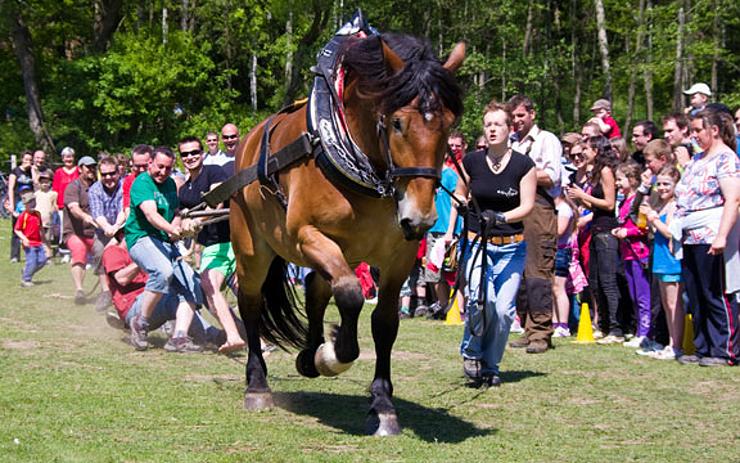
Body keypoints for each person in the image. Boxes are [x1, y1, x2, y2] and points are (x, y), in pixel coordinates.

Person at [449, 100, 536, 386]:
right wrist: (460, 208)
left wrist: (500, 217)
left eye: (498, 124)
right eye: (488, 125)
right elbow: (460, 194)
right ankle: (471, 353)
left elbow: (527, 206)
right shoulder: (472, 161)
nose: (492, 129)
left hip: (512, 246)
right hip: (477, 243)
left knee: (502, 310)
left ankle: (491, 365)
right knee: (481, 299)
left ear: (510, 129)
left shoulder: (524, 165)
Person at [674, 109, 739, 367]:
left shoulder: (726, 159)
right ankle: (703, 347)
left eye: (698, 130)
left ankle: (724, 350)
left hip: (713, 232)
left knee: (715, 293)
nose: (694, 136)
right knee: (696, 293)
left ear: (714, 130)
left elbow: (733, 198)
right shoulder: (697, 159)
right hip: (691, 235)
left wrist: (722, 235)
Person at [124, 146, 202, 351]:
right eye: (159, 167)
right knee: (163, 271)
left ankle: (179, 337)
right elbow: (151, 215)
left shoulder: (169, 184)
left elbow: (175, 211)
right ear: (150, 163)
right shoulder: (141, 183)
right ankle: (140, 322)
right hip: (141, 238)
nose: (163, 172)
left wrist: (178, 225)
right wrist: (173, 230)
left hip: (164, 241)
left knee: (192, 283)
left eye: (168, 168)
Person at [177, 136, 246, 353]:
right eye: (185, 154)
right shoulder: (185, 189)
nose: (190, 157)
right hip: (212, 246)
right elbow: (181, 217)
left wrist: (197, 221)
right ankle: (245, 338)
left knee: (221, 287)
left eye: (194, 152)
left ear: (202, 152)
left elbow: (216, 201)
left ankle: (249, 338)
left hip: (230, 241)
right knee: (215, 288)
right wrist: (177, 229)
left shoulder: (214, 173)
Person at [508, 94, 562, 354]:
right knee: (518, 272)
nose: (516, 121)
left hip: (539, 209)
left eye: (521, 115)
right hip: (515, 208)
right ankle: (527, 327)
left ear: (532, 114)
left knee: (538, 271)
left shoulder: (546, 140)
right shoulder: (512, 143)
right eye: (513, 117)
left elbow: (552, 176)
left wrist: (521, 174)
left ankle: (541, 331)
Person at [102, 237, 223, 352]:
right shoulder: (113, 251)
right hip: (132, 308)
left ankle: (206, 333)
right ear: (123, 234)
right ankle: (209, 335)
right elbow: (121, 278)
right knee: (176, 294)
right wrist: (143, 260)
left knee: (188, 285)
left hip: (152, 303)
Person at [566, 136, 622, 343]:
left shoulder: (606, 171)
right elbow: (596, 206)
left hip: (607, 231)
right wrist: (580, 198)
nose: (582, 153)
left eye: (586, 149)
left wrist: (584, 195)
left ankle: (616, 328)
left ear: (596, 151)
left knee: (608, 281)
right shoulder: (596, 174)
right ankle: (604, 325)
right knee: (596, 281)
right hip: (597, 228)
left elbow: (609, 204)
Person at [639, 166, 684, 360]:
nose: (662, 188)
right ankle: (670, 344)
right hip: (660, 258)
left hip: (671, 260)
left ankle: (676, 346)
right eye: (660, 184)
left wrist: (654, 219)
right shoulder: (661, 205)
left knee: (674, 304)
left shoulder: (675, 205)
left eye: (667, 184)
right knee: (666, 304)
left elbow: (671, 233)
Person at [612, 162, 651, 347]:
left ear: (633, 180)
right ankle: (638, 331)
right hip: (626, 253)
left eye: (620, 179)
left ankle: (645, 332)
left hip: (639, 253)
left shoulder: (638, 200)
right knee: (634, 294)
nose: (617, 183)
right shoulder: (624, 200)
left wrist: (628, 232)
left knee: (643, 295)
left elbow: (643, 227)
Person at [64, 156, 105, 305]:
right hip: (75, 232)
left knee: (105, 256)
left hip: (94, 233)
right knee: (79, 251)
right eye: (88, 167)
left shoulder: (98, 186)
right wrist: (85, 217)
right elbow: (73, 208)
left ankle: (106, 291)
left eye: (93, 167)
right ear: (80, 169)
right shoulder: (73, 187)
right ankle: (79, 290)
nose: (91, 170)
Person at [88, 156, 125, 311]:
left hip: (124, 227)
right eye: (104, 175)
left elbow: (124, 209)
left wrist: (116, 227)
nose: (108, 177)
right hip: (104, 229)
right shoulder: (94, 189)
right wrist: (108, 228)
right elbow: (97, 214)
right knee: (98, 251)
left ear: (118, 172)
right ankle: (105, 291)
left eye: (111, 173)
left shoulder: (125, 186)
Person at [14, 190, 47, 287]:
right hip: (29, 243)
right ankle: (26, 279)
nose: (32, 204)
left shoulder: (37, 214)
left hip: (38, 242)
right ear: (25, 204)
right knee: (32, 261)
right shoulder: (23, 216)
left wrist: (44, 240)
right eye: (29, 203)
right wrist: (24, 239)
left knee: (42, 260)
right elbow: (17, 230)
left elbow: (40, 228)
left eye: (33, 202)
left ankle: (27, 270)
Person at [52, 147, 79, 263]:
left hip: (76, 205)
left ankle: (77, 253)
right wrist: (55, 204)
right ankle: (66, 253)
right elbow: (55, 190)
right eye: (66, 156)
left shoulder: (78, 170)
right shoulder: (58, 172)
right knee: (65, 230)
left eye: (70, 156)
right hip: (62, 206)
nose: (68, 159)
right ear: (62, 158)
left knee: (77, 230)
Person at [7, 151, 34, 263]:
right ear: (22, 159)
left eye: (30, 160)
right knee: (16, 229)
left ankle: (30, 254)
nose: (28, 162)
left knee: (29, 229)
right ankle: (15, 255)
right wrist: (12, 204)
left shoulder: (31, 172)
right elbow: (10, 188)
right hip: (18, 203)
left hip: (29, 203)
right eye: (26, 159)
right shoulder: (15, 172)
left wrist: (33, 170)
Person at [122, 144, 153, 218]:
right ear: (132, 164)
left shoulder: (160, 179)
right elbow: (127, 206)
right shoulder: (129, 181)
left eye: (145, 166)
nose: (141, 170)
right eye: (138, 166)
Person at [34, 171, 58, 258]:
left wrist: (53, 212)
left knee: (47, 239)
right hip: (38, 219)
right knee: (38, 238)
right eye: (42, 182)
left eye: (47, 182)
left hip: (48, 219)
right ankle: (38, 255)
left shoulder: (53, 194)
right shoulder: (36, 194)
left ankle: (48, 256)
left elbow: (55, 206)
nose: (44, 184)